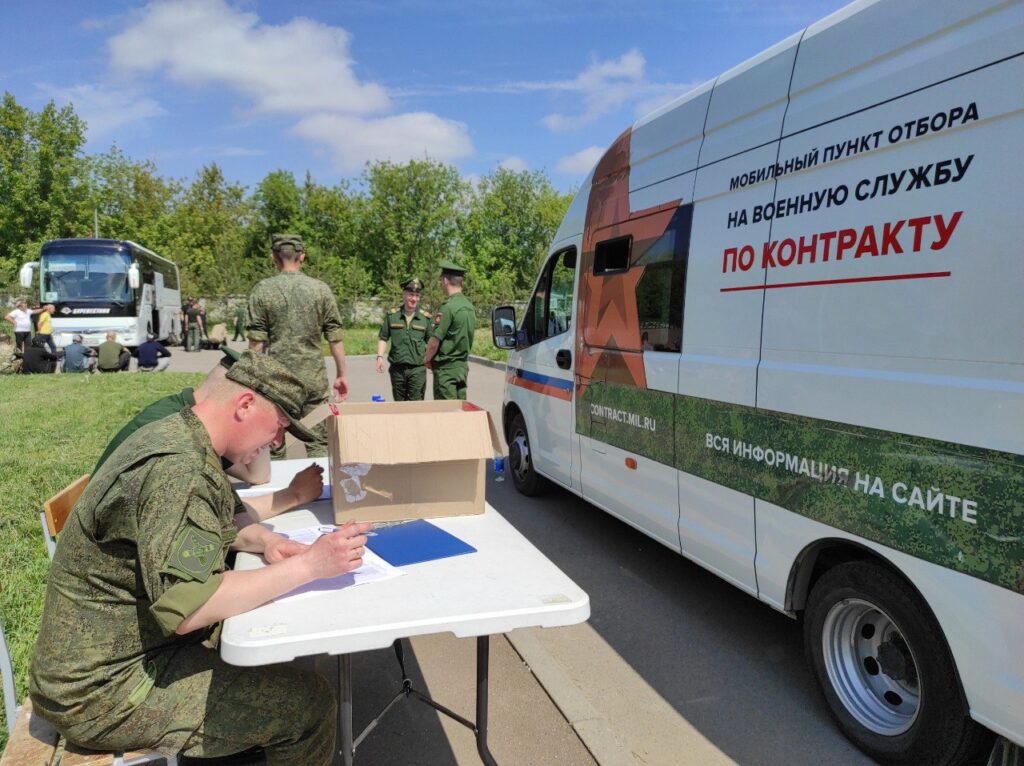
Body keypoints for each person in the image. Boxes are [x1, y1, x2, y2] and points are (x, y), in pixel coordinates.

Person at [30, 352, 372, 765]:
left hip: (117, 657)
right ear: (245, 405)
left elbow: (219, 520)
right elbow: (192, 607)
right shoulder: (180, 470)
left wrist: (266, 543)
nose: (277, 442)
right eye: (279, 425)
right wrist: (308, 566)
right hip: (103, 691)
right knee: (308, 708)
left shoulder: (183, 436)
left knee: (274, 637)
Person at [94, 348, 324, 522]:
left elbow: (257, 476)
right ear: (242, 401)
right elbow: (218, 523)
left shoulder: (197, 426)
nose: (277, 441)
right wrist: (293, 495)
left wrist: (262, 428)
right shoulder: (176, 437)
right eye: (279, 426)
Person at [247, 233, 348, 457]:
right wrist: (341, 375)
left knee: (274, 445)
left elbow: (256, 343)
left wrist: (251, 380)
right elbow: (335, 337)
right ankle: (322, 479)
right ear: (301, 256)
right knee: (319, 443)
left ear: (273, 257)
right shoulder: (320, 289)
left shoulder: (262, 290)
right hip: (314, 381)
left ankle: (278, 481)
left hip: (278, 381)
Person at [424, 261, 476, 401]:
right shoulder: (469, 307)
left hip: (446, 371)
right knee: (460, 408)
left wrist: (427, 358)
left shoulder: (448, 307)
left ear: (446, 281)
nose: (441, 284)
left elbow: (434, 342)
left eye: (441, 280)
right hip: (462, 369)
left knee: (446, 411)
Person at [376, 277, 432, 401]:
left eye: (417, 295)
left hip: (417, 369)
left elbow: (431, 342)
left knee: (416, 405)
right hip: (397, 369)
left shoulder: (426, 318)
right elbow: (383, 337)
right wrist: (379, 357)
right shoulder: (392, 316)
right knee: (399, 405)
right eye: (411, 295)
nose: (414, 299)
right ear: (404, 294)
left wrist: (430, 359)